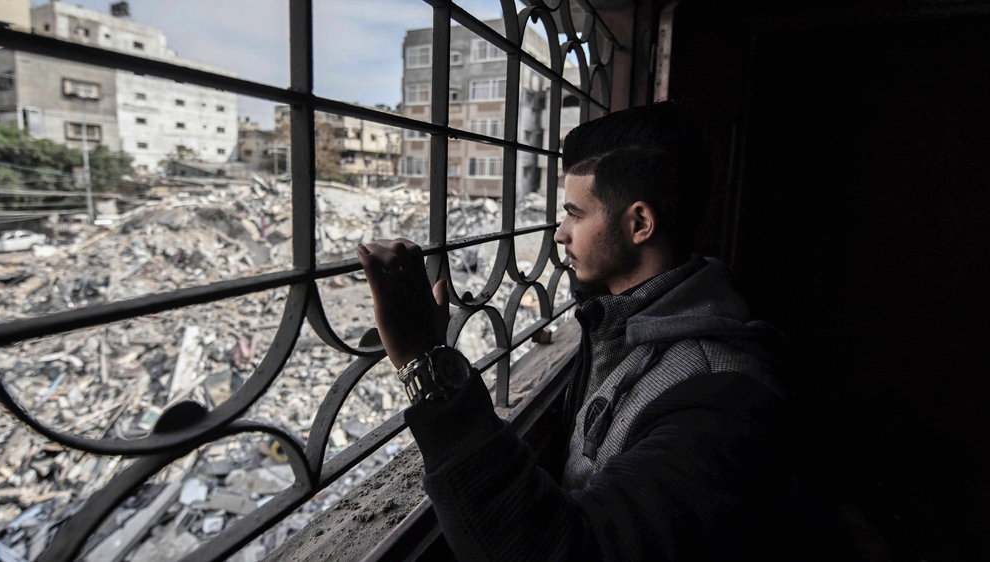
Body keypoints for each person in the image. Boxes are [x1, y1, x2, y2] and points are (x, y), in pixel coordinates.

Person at [355, 102, 850, 561]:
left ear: (639, 223)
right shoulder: (636, 326)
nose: (559, 233)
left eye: (574, 213)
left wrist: (426, 363)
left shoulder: (717, 398)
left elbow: (566, 550)